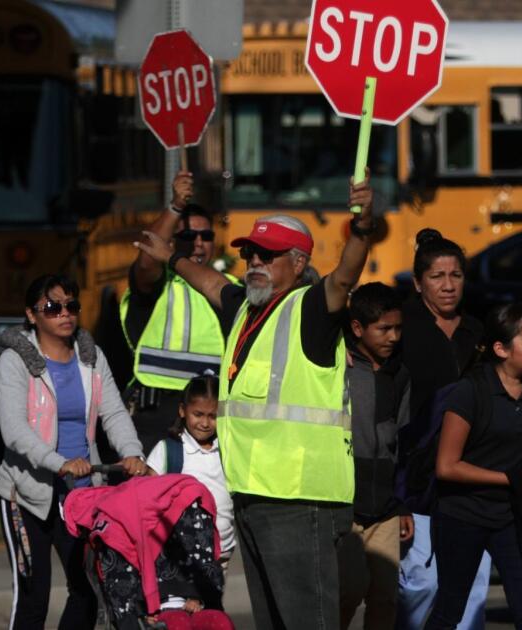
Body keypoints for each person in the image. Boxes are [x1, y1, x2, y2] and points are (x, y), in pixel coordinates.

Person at [133, 176, 377, 629]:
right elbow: (210, 283)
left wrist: (361, 229)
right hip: (252, 493)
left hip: (300, 498)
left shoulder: (311, 308)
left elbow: (344, 278)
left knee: (306, 621)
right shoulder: (247, 308)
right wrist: (173, 258)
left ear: (299, 262)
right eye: (250, 254)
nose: (255, 263)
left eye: (268, 255)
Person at [0, 274, 149, 630]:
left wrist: (132, 453)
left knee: (88, 591)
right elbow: (14, 431)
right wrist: (59, 463)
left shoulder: (91, 358)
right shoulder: (15, 362)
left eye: (71, 306)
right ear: (32, 315)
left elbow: (113, 412)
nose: (64, 313)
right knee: (34, 597)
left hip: (81, 494)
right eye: (52, 307)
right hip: (26, 494)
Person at [424, 302, 522, 630]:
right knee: (450, 609)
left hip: (512, 516)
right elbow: (447, 466)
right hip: (463, 514)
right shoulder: (471, 391)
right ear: (501, 348)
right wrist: (508, 478)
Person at [397, 229, 490, 630]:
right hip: (416, 483)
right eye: (437, 276)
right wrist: (396, 499)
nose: (449, 286)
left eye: (456, 275)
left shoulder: (479, 333)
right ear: (418, 283)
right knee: (421, 585)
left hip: (471, 481)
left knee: (472, 590)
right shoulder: (401, 331)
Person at [122, 167, 230, 454]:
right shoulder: (158, 284)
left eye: (205, 235)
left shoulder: (229, 288)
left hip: (208, 417)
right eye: (188, 235)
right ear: (170, 241)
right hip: (154, 414)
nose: (197, 242)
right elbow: (146, 258)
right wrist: (175, 207)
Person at [338, 282, 415, 629]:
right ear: (357, 329)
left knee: (385, 597)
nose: (393, 337)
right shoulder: (337, 367)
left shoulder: (399, 375)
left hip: (385, 505)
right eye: (384, 328)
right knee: (348, 589)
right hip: (345, 502)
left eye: (398, 328)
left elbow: (401, 440)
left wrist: (402, 503)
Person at [146, 375, 237, 569]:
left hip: (222, 556)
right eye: (198, 414)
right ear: (182, 411)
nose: (205, 423)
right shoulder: (167, 451)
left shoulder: (229, 450)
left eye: (212, 416)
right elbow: (149, 503)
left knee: (212, 600)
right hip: (180, 559)